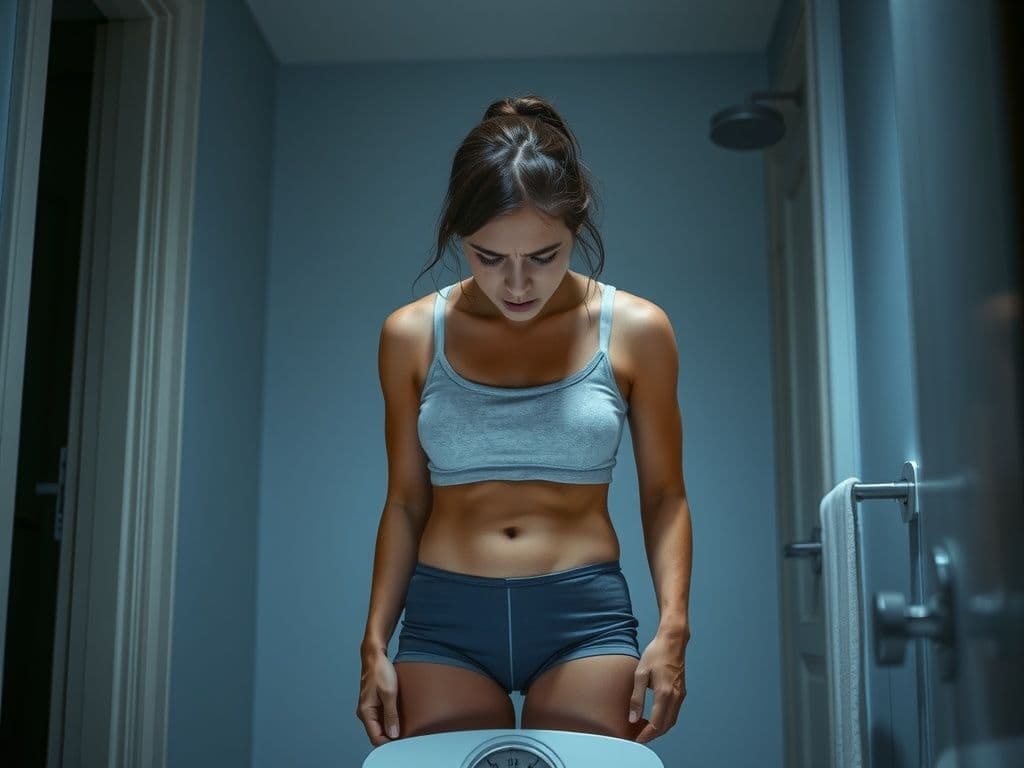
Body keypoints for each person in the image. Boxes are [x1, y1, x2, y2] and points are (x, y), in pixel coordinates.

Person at [356, 94, 692, 748]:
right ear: (458, 234)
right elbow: (403, 500)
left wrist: (673, 626)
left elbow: (665, 495)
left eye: (542, 255)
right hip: (445, 619)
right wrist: (372, 640)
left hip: (582, 620)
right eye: (488, 257)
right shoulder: (409, 335)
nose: (516, 284)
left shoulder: (637, 329)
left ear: (577, 225)